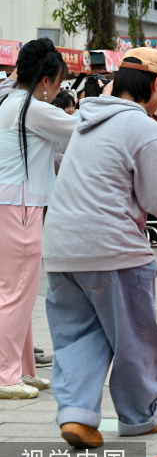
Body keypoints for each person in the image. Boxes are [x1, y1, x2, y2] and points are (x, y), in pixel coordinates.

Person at [42, 48, 157, 447]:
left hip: (63, 247)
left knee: (79, 335)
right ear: (156, 84)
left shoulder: (85, 119)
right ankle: (139, 415)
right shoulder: (143, 127)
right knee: (136, 336)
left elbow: (113, 173)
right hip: (114, 249)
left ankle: (77, 415)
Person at [0, 41, 78, 401]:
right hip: (21, 207)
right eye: (59, 83)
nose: (60, 90)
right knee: (17, 292)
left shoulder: (8, 101)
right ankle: (6, 374)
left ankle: (22, 369)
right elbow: (78, 127)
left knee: (19, 292)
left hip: (14, 204)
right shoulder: (33, 108)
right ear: (45, 80)